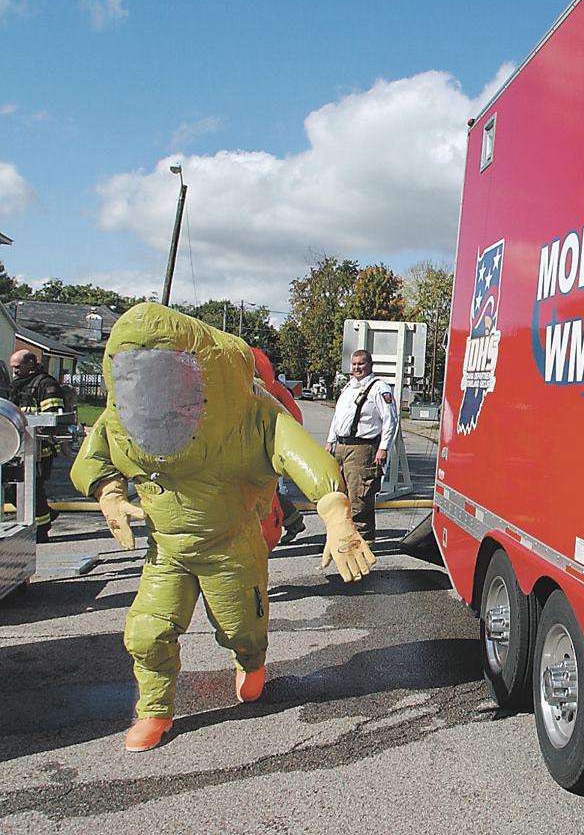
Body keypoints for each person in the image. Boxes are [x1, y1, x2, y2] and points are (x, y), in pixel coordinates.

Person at [70, 304, 376, 752]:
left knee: (241, 628)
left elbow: (299, 453)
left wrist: (335, 511)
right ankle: (154, 709)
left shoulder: (250, 412)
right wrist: (108, 491)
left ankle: (250, 661)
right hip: (167, 548)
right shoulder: (124, 417)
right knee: (147, 633)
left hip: (231, 545)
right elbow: (96, 455)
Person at [325, 349, 398, 542]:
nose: (357, 368)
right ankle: (344, 539)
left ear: (370, 365)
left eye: (361, 364)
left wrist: (383, 448)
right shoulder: (348, 387)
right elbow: (338, 417)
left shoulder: (379, 388)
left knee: (360, 499)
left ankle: (364, 543)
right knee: (339, 496)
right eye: (354, 364)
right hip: (341, 447)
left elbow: (390, 420)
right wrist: (330, 441)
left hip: (362, 449)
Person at [8, 350, 66, 542]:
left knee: (34, 489)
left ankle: (41, 530)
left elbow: (53, 418)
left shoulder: (46, 385)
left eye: (18, 366)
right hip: (20, 448)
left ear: (31, 364)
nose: (14, 371)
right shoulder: (18, 386)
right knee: (11, 488)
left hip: (41, 448)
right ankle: (46, 514)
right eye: (13, 367)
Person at [251, 348, 306, 548]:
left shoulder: (272, 389)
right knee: (267, 491)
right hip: (256, 447)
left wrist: (285, 443)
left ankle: (277, 529)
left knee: (265, 492)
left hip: (269, 447)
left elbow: (294, 416)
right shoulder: (249, 386)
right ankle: (293, 520)